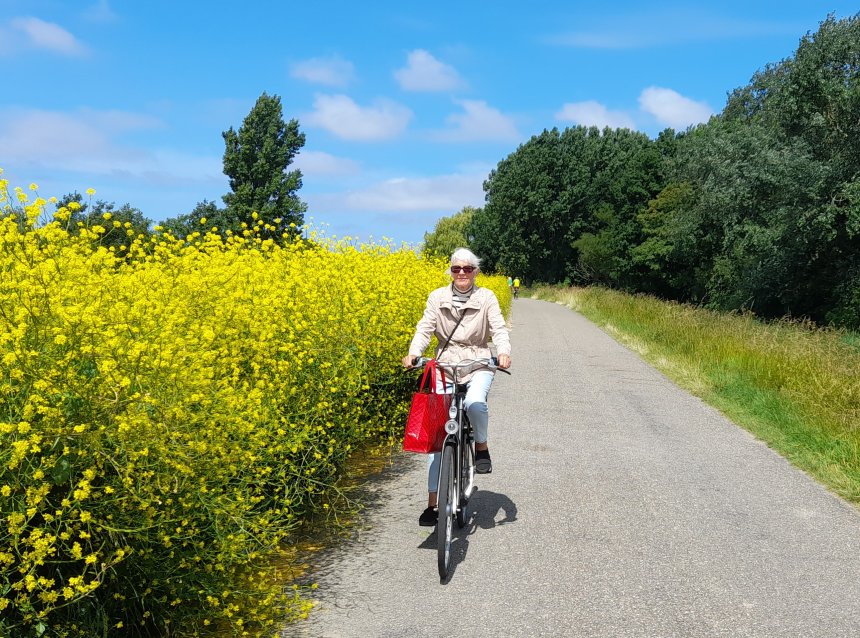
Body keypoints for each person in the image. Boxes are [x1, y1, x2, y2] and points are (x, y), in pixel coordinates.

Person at [402, 248, 511, 526]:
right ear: (450, 271)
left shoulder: (486, 297)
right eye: (456, 269)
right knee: (439, 437)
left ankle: (482, 446)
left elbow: (498, 328)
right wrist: (414, 352)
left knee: (475, 402)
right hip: (445, 364)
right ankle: (432, 505)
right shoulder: (437, 297)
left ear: (475, 271)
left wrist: (503, 351)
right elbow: (425, 327)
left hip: (478, 362)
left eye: (467, 269)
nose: (461, 273)